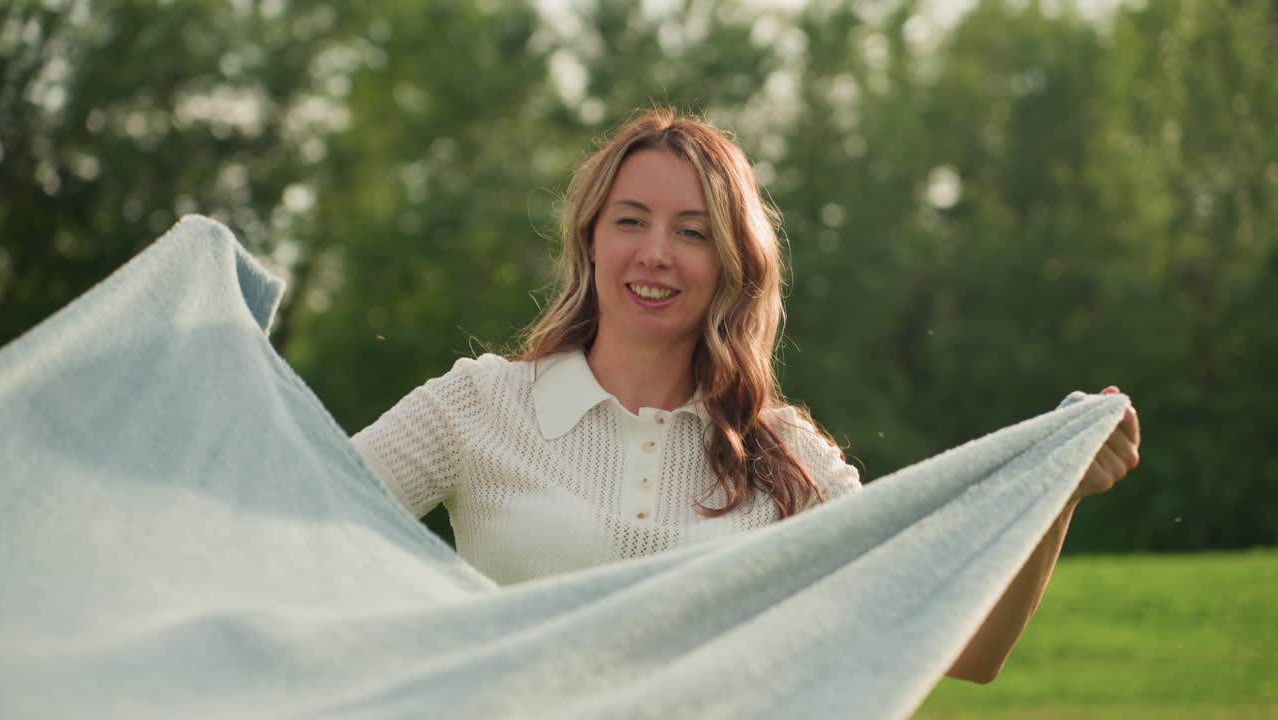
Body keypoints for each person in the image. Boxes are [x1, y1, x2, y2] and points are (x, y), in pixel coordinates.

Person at [350, 107, 1142, 683]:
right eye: (632, 220)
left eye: (693, 232)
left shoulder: (790, 461)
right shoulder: (478, 405)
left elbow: (964, 649)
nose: (656, 254)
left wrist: (1056, 492)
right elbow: (288, 514)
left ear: (733, 263)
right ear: (590, 239)